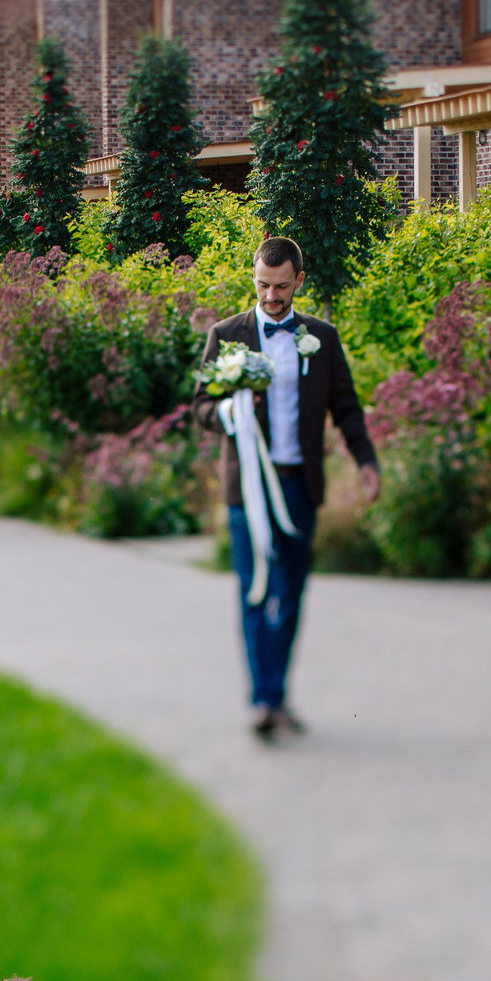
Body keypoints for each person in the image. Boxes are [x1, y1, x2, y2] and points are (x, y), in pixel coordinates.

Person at [198, 235, 378, 743]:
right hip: (248, 488)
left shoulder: (321, 338)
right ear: (252, 278)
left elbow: (345, 407)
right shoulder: (226, 334)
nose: (270, 296)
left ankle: (274, 693)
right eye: (261, 285)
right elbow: (199, 407)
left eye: (280, 287)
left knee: (290, 593)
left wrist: (366, 461)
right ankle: (264, 700)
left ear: (299, 281)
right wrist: (227, 413)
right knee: (254, 593)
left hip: (300, 485)